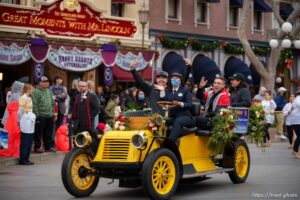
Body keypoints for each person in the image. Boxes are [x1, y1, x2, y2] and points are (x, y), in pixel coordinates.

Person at [163, 72, 195, 143]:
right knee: (162, 121)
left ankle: (169, 143)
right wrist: (166, 106)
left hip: (185, 116)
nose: (174, 80)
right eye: (173, 78)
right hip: (172, 116)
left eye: (176, 78)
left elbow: (189, 104)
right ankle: (158, 139)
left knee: (178, 121)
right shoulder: (168, 91)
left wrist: (180, 103)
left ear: (180, 80)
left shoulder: (185, 90)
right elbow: (164, 101)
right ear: (170, 80)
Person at [31, 76, 56, 153]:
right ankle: (37, 147)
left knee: (48, 132)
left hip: (49, 115)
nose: (46, 83)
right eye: (44, 82)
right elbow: (34, 104)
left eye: (47, 82)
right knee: (38, 132)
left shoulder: (49, 91)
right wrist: (37, 115)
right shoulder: (35, 92)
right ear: (40, 83)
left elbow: (52, 103)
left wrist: (52, 113)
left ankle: (48, 146)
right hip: (40, 115)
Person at [0, 81, 24, 157]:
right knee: (11, 135)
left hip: (10, 116)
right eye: (22, 87)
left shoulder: (14, 94)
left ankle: (8, 149)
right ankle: (11, 150)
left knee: (8, 135)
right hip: (12, 117)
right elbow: (17, 107)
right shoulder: (16, 95)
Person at [18, 84, 36, 165]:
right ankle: (23, 158)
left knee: (30, 138)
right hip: (25, 118)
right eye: (31, 88)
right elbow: (20, 111)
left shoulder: (29, 98)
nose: (32, 90)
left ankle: (27, 157)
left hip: (30, 117)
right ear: (28, 89)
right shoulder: (23, 98)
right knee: (25, 138)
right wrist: (19, 120)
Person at [290, 88, 300, 159]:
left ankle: (294, 151)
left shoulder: (296, 99)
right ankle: (295, 151)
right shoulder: (299, 99)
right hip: (297, 121)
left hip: (295, 121)